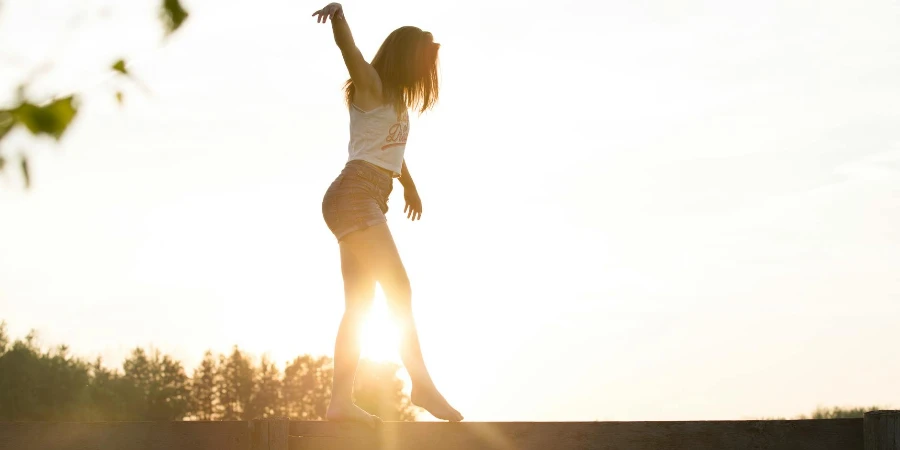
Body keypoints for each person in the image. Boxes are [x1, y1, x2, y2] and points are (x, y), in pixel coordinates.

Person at [312, 2, 464, 426]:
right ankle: (421, 383)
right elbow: (350, 53)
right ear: (403, 57)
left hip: (364, 198)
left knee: (358, 306)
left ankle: (339, 402)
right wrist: (339, 17)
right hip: (354, 194)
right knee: (399, 287)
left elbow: (390, 150)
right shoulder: (372, 85)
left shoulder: (395, 100)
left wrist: (408, 184)